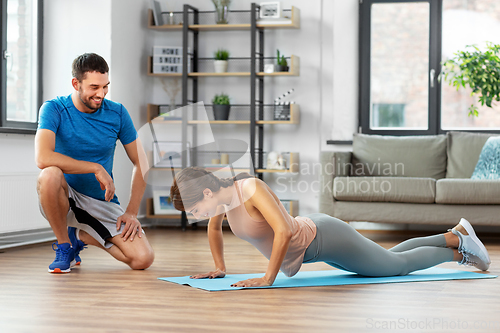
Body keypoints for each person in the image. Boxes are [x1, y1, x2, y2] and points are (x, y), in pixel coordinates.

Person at [170, 167, 491, 288]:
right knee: (387, 257)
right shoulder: (222, 203)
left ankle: (458, 252)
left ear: (207, 192)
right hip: (315, 248)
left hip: (324, 238)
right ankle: (453, 235)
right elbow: (213, 231)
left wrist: (267, 279)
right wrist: (219, 268)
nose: (198, 215)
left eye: (195, 208)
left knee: (396, 266)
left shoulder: (249, 188)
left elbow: (282, 230)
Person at [35, 53, 154, 273]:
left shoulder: (117, 113)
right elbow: (43, 157)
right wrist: (95, 167)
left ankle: (77, 237)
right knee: (49, 173)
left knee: (142, 259)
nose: (101, 94)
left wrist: (132, 212)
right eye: (93, 87)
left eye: (105, 86)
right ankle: (64, 245)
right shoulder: (54, 109)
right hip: (64, 196)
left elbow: (141, 162)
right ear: (75, 83)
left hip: (100, 201)